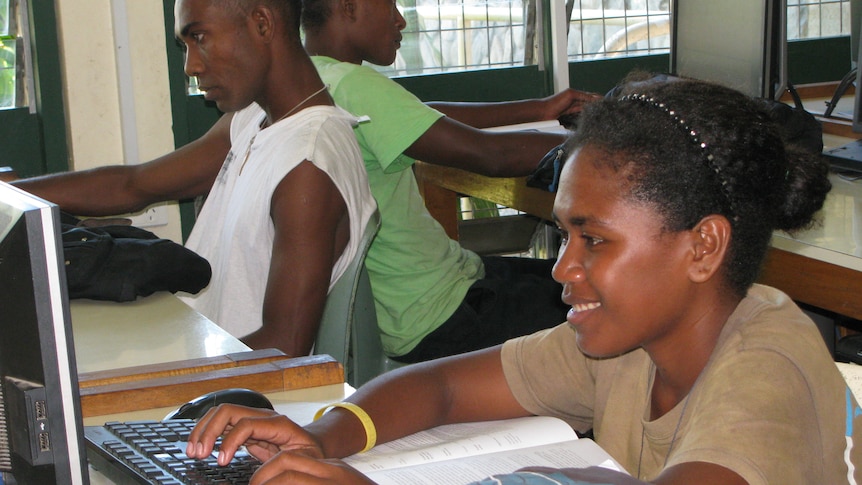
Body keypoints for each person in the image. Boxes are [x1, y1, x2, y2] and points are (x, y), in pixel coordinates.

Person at [184, 77, 862, 485]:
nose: (564, 268)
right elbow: (444, 386)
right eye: (565, 234)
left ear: (703, 246)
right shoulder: (630, 341)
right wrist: (325, 438)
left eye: (592, 239)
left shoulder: (764, 365)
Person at [13, 0, 376, 357]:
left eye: (199, 37)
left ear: (262, 23)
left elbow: (283, 346)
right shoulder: (253, 121)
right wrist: (9, 197)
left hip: (233, 400)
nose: (190, 66)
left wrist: (156, 379)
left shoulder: (308, 162)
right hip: (200, 347)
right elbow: (133, 185)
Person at [301, 0, 601, 362]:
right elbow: (492, 156)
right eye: (389, 5)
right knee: (606, 297)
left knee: (573, 279)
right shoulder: (354, 84)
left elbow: (424, 115)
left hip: (423, 301)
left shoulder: (313, 79)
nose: (400, 20)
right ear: (348, 7)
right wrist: (608, 141)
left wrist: (539, 109)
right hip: (444, 315)